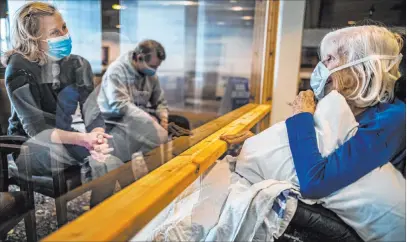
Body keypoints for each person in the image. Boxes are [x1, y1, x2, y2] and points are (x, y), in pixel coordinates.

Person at [286, 25, 405, 199]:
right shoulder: (345, 108)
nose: (321, 66)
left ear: (361, 68)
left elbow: (314, 183)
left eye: (330, 58)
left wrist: (301, 118)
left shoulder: (391, 120)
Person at [2, 2, 114, 183]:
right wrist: (85, 140)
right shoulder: (18, 68)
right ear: (32, 38)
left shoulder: (78, 64)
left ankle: (104, 210)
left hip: (66, 138)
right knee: (99, 156)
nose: (64, 35)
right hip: (30, 146)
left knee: (110, 157)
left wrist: (98, 134)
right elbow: (37, 129)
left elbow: (92, 112)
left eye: (64, 27)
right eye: (54, 32)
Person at [98, 40, 169, 161]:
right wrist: (148, 120)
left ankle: (147, 168)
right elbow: (120, 106)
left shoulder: (151, 75)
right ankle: (136, 170)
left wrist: (163, 116)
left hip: (135, 119)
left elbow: (160, 102)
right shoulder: (116, 71)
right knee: (158, 137)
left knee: (169, 130)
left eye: (157, 67)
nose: (154, 70)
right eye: (152, 66)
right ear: (139, 58)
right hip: (112, 122)